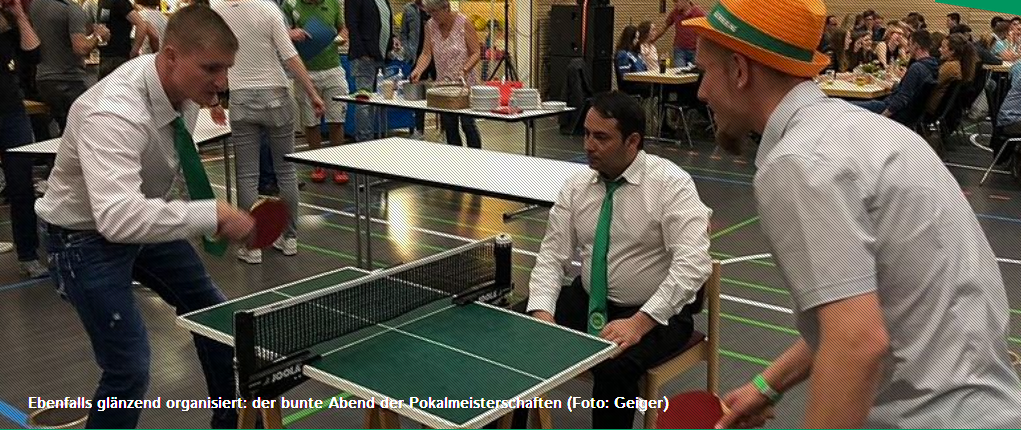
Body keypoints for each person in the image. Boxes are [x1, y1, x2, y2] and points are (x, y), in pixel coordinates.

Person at [685, 0, 1021, 426]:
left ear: (738, 70)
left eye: (705, 72)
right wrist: (766, 386)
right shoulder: (868, 131)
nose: (701, 92)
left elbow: (856, 342)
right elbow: (873, 305)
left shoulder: (799, 163)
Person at [35, 6, 254, 428]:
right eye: (211, 68)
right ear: (170, 56)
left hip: (137, 218)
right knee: (129, 369)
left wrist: (210, 215)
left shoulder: (182, 88)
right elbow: (117, 220)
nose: (222, 82)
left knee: (218, 323)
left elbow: (160, 174)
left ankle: (233, 424)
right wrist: (212, 214)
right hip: (82, 239)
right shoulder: (114, 113)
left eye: (227, 68)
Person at [527, 91, 711, 429]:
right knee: (517, 331)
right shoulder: (576, 185)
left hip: (654, 313)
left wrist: (640, 323)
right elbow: (553, 255)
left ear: (633, 141)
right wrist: (542, 313)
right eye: (586, 134)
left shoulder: (671, 184)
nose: (588, 145)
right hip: (588, 300)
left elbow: (694, 263)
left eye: (601, 137)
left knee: (614, 367)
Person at [213, 0, 325, 264]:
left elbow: (213, 58)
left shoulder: (216, 8)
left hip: (240, 97)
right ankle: (290, 238)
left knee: (247, 175)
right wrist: (312, 93)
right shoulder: (267, 8)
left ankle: (252, 246)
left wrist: (214, 100)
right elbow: (289, 55)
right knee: (286, 171)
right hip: (276, 93)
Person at [1, 0, 46, 278]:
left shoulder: (9, 30)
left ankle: (28, 255)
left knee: (21, 186)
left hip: (11, 113)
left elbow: (33, 53)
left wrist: (19, 15)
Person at [283, 0, 351, 184]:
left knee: (336, 118)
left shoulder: (333, 3)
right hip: (306, 71)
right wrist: (292, 34)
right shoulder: (290, 5)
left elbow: (343, 29)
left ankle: (339, 165)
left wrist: (340, 37)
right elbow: (281, 34)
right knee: (310, 121)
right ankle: (317, 164)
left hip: (333, 68)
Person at [409, 0, 481, 149]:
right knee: (449, 125)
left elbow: (476, 52)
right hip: (444, 85)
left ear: (446, 8)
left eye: (435, 12)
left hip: (465, 84)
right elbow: (426, 53)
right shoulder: (430, 26)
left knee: (468, 124)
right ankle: (455, 161)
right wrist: (418, 70)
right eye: (429, 12)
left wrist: (465, 69)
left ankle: (477, 159)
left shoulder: (463, 22)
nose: (432, 16)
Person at [30, 0, 109, 133]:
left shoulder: (35, 5)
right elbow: (80, 48)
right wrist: (98, 36)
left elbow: (57, 30)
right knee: (83, 130)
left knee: (54, 130)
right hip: (69, 80)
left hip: (43, 79)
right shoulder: (71, 9)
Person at [851, 30, 939, 123]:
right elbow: (906, 89)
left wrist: (882, 118)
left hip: (893, 111)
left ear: (916, 45)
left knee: (845, 105)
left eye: (910, 44)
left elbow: (902, 98)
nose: (908, 47)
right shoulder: (932, 66)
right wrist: (879, 81)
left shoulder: (916, 68)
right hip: (910, 115)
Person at [347, 0, 393, 142]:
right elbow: (352, 25)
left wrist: (391, 42)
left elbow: (384, 23)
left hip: (380, 56)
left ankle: (374, 136)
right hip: (364, 57)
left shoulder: (383, 1)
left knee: (377, 100)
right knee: (364, 101)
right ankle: (363, 139)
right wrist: (362, 52)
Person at [94, 0, 157, 78]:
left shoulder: (119, 2)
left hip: (118, 58)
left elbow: (141, 24)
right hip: (108, 57)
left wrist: (134, 51)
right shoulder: (106, 3)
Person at [400, 0, 432, 140]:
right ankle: (419, 129)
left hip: (435, 56)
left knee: (441, 91)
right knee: (418, 94)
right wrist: (408, 50)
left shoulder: (433, 7)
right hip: (418, 56)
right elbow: (404, 32)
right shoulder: (408, 9)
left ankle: (445, 129)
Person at [927, 33, 975, 116]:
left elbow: (931, 84)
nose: (939, 49)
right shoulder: (958, 65)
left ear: (952, 51)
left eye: (943, 47)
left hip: (930, 108)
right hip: (940, 108)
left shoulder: (950, 66)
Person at [649, 0, 705, 67]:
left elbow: (706, 30)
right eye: (674, 3)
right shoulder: (675, 12)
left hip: (694, 50)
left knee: (695, 75)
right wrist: (652, 39)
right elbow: (664, 27)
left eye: (677, 2)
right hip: (680, 50)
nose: (676, 5)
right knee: (679, 72)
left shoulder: (698, 13)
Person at [613, 25, 647, 96]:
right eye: (636, 38)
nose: (637, 40)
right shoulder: (622, 54)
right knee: (659, 88)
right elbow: (624, 76)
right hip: (631, 86)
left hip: (641, 81)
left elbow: (644, 68)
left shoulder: (636, 53)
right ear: (630, 38)